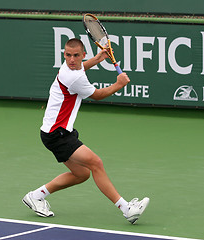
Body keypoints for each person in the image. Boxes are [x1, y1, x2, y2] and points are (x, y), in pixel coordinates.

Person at [22, 38, 149, 224]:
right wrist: (119, 84)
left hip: (56, 132)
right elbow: (97, 95)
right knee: (96, 163)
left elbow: (81, 67)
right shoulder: (73, 77)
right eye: (67, 55)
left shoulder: (73, 69)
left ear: (83, 55)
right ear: (64, 54)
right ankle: (127, 209)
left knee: (81, 174)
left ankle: (36, 196)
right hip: (57, 134)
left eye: (75, 55)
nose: (71, 59)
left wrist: (98, 59)